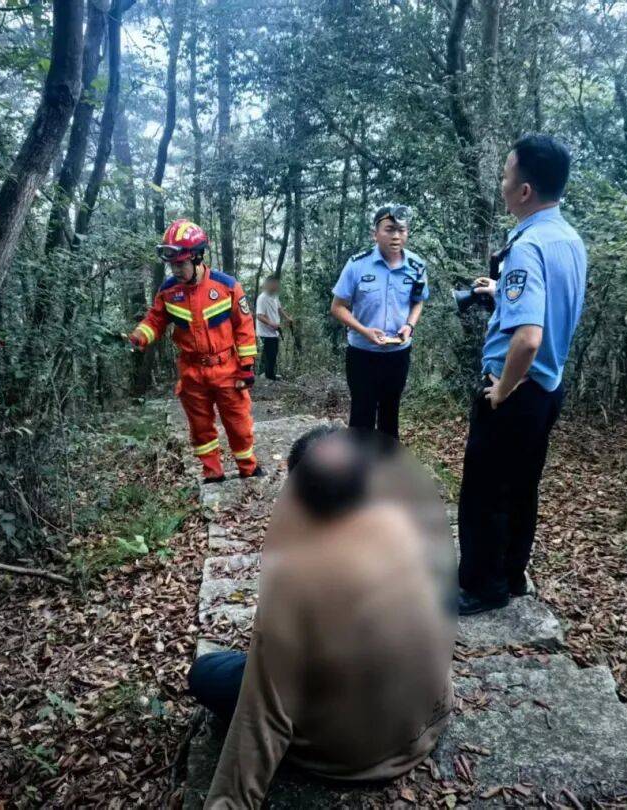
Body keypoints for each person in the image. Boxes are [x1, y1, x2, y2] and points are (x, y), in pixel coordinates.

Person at [188, 428, 456, 809]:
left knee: (206, 674)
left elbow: (263, 717)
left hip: (352, 755)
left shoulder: (296, 579)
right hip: (425, 722)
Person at [456, 135, 587, 616]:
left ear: (525, 190)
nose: (502, 183)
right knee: (521, 485)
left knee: (484, 491)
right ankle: (512, 574)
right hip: (549, 388)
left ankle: (481, 587)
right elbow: (550, 306)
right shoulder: (568, 239)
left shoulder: (527, 246)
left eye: (506, 175)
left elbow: (528, 338)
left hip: (516, 388)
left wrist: (500, 391)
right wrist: (500, 291)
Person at [129, 219, 264, 484]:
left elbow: (244, 326)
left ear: (197, 257)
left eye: (181, 264)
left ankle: (248, 467)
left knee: (238, 423)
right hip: (192, 371)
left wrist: (246, 366)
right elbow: (155, 320)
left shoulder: (227, 287)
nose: (176, 270)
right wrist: (140, 336)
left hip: (226, 368)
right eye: (172, 265)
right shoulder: (168, 291)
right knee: (200, 427)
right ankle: (212, 472)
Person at [330, 204, 429, 439]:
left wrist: (410, 325)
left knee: (390, 417)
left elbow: (418, 301)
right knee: (361, 418)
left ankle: (387, 460)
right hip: (362, 355)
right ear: (375, 234)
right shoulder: (357, 264)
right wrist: (364, 331)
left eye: (401, 230)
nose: (396, 236)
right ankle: (358, 462)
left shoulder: (416, 266)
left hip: (398, 354)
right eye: (389, 229)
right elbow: (337, 307)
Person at [254, 275, 292, 381]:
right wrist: (272, 324)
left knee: (273, 354)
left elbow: (279, 308)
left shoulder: (275, 296)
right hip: (265, 332)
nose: (276, 286)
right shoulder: (262, 298)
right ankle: (267, 377)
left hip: (274, 332)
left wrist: (287, 318)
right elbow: (259, 316)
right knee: (269, 355)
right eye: (274, 284)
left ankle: (270, 375)